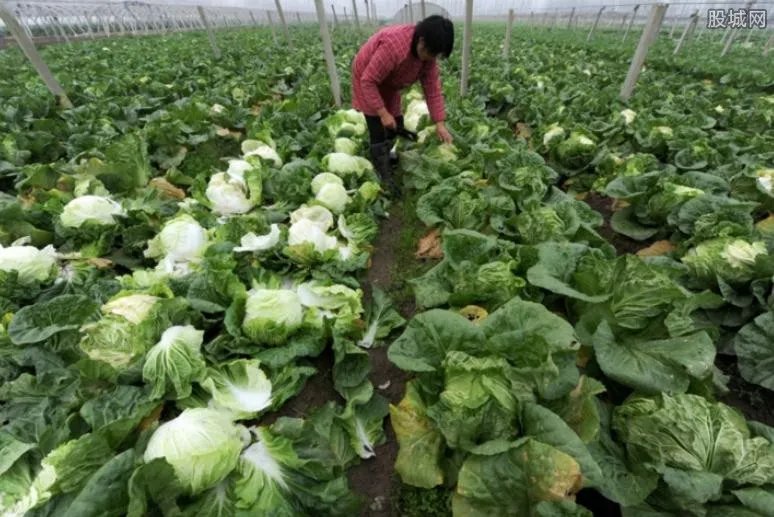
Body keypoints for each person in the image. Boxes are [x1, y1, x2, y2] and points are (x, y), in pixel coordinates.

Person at [351, 15, 454, 192]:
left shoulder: (428, 58)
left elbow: (432, 89)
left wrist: (440, 123)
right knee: (377, 126)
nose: (431, 58)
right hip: (367, 77)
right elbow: (368, 81)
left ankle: (388, 154)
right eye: (431, 53)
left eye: (435, 55)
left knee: (396, 122)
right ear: (421, 41)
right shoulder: (393, 46)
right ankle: (382, 174)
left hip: (390, 81)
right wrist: (382, 113)